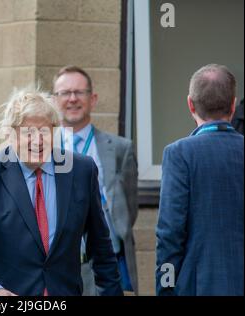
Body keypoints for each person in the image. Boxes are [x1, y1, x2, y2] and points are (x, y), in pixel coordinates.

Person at [0, 86, 123, 296]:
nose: (38, 141)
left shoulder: (81, 170)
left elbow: (101, 246)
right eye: (28, 132)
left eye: (44, 131)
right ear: (9, 134)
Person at [156, 64, 244, 296]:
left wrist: (164, 289)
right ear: (233, 105)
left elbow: (170, 234)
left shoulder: (178, 153)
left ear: (190, 104)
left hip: (197, 286)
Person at [52, 66, 138, 295]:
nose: (72, 99)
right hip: (55, 266)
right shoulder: (42, 149)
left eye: (79, 92)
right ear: (54, 99)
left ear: (93, 98)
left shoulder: (120, 149)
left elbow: (128, 208)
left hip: (103, 266)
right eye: (65, 93)